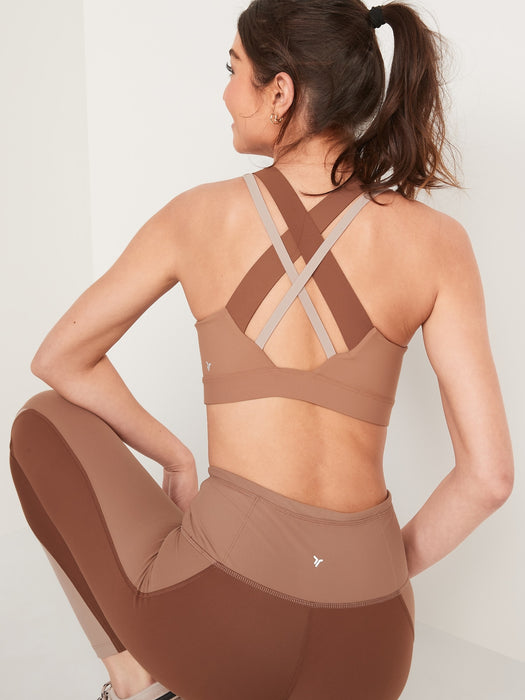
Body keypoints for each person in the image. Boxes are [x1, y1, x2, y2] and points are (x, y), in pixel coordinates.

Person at [8, 1, 514, 699]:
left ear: (279, 92)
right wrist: (369, 572)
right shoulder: (439, 244)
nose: (224, 94)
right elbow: (489, 478)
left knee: (39, 420)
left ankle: (134, 680)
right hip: (372, 651)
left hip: (222, 632)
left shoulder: (197, 216)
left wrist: (175, 456)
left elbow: (60, 359)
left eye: (232, 70)